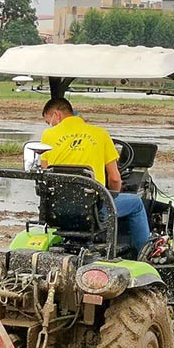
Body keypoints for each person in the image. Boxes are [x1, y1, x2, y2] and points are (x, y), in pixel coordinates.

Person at [39, 97, 150, 253]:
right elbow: (115, 178)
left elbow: (46, 176)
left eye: (47, 121)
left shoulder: (48, 136)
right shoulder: (100, 134)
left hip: (58, 210)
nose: (48, 125)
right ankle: (143, 253)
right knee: (136, 203)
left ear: (56, 115)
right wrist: (112, 195)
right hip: (93, 211)